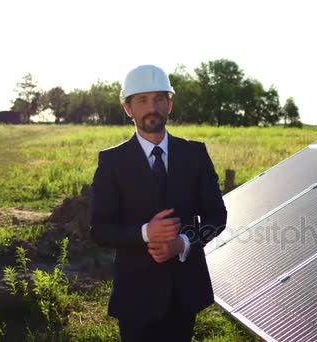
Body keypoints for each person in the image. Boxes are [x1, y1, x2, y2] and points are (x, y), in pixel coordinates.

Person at [89, 64, 227, 341]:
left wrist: (183, 243)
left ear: (169, 104)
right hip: (135, 295)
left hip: (184, 292)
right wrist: (144, 233)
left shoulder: (195, 155)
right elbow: (100, 229)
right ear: (128, 108)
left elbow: (216, 217)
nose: (152, 107)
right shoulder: (112, 162)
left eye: (159, 99)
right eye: (142, 100)